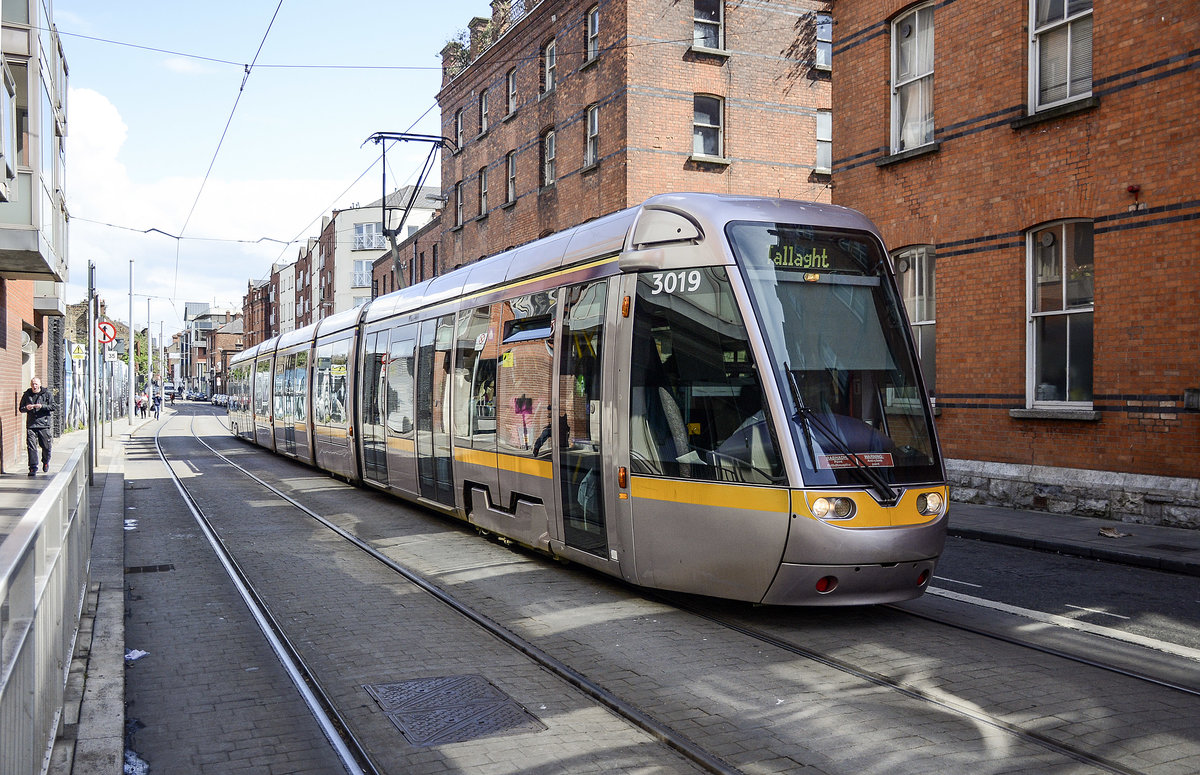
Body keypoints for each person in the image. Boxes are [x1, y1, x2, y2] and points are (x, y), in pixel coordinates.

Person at [19, 376, 54, 476]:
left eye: (36, 384)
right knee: (31, 447)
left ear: (40, 384)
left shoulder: (47, 394)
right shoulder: (27, 394)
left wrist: (42, 406)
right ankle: (33, 467)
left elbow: (53, 406)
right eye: (33, 384)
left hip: (44, 425)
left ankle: (46, 461)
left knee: (46, 446)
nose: (34, 386)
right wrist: (27, 408)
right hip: (31, 425)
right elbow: (21, 408)